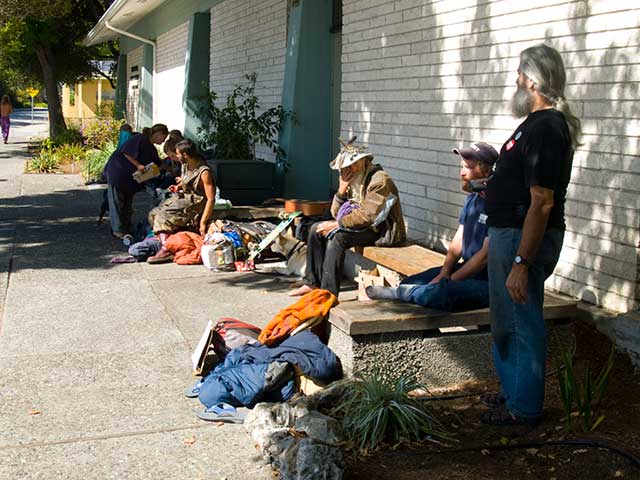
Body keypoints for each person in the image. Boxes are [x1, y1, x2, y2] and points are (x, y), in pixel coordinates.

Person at [482, 44, 581, 426]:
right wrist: (487, 189)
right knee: (507, 319)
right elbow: (523, 184)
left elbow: (541, 202)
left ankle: (524, 408)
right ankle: (514, 392)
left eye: (520, 74)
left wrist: (522, 262)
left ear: (534, 80)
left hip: (521, 239)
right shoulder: (535, 123)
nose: (515, 80)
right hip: (509, 233)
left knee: (521, 320)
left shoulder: (547, 127)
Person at [366, 142, 498, 311]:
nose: (461, 173)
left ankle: (406, 293)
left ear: (486, 171)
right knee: (412, 282)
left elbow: (484, 258)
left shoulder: (497, 201)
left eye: (467, 167)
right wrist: (444, 272)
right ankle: (409, 291)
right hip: (467, 269)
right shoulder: (473, 197)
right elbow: (459, 241)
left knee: (440, 292)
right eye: (461, 167)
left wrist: (449, 280)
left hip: (490, 281)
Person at [289, 140, 406, 296]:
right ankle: (312, 282)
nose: (350, 169)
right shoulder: (352, 178)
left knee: (338, 238)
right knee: (315, 229)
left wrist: (339, 224)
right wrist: (341, 191)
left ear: (364, 161)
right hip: (359, 225)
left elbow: (368, 216)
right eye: (346, 167)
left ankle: (328, 293)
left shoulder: (380, 181)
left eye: (354, 164)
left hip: (381, 230)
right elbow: (336, 213)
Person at [146, 138, 216, 264]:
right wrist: (179, 186)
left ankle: (166, 250)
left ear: (185, 155)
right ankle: (171, 243)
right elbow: (186, 180)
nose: (176, 156)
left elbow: (211, 199)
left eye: (177, 153)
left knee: (163, 216)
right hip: (184, 197)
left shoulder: (204, 172)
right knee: (153, 213)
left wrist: (203, 222)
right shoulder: (185, 165)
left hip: (196, 202)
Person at [103, 123, 169, 239]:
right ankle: (118, 231)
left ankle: (126, 228)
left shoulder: (151, 148)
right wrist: (138, 165)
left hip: (130, 181)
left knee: (127, 204)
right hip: (118, 174)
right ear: (158, 134)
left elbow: (158, 163)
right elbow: (125, 151)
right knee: (117, 203)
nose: (163, 142)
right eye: (163, 138)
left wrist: (170, 168)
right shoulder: (139, 138)